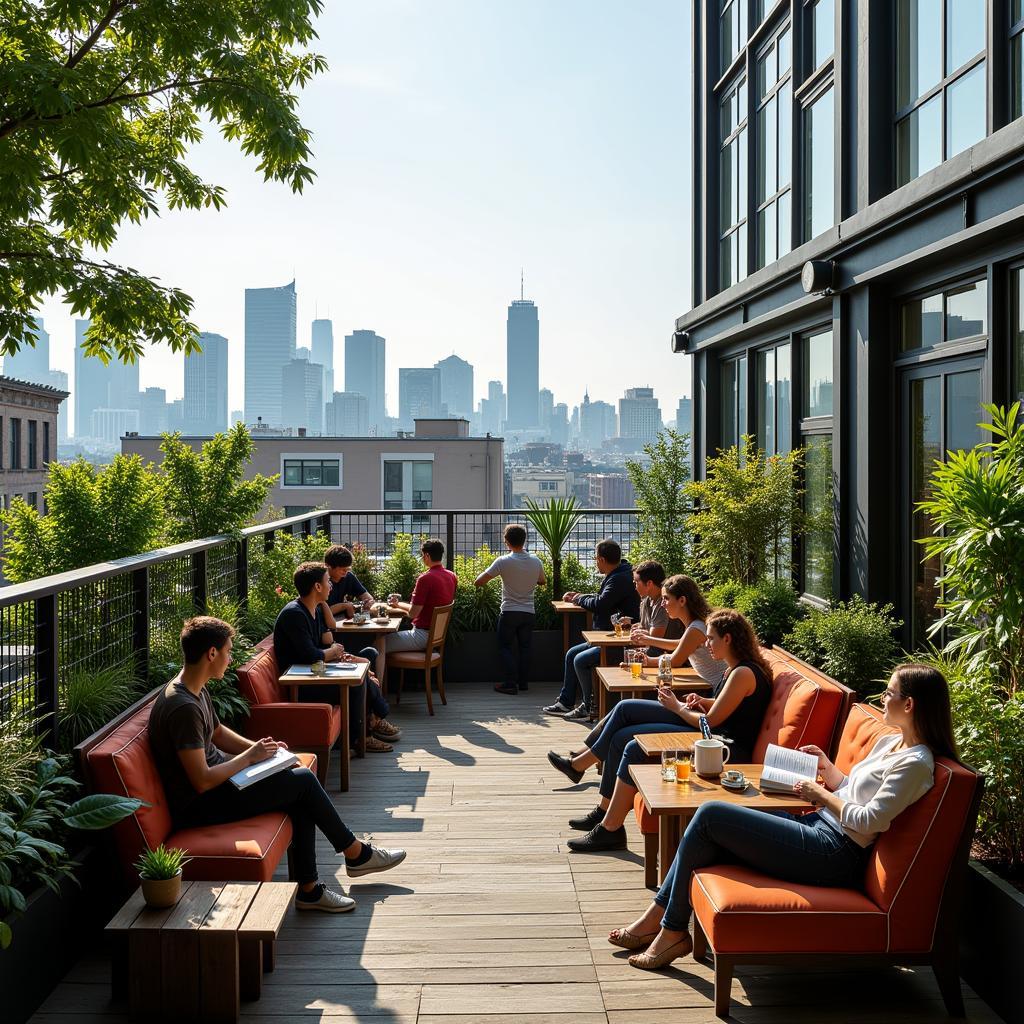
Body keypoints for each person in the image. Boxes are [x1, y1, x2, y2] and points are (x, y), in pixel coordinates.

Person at [609, 663, 952, 970]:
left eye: (890, 692)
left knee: (711, 813)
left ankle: (667, 928)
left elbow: (869, 821)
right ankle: (663, 923)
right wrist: (827, 769)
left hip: (835, 852)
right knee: (708, 832)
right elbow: (852, 790)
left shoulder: (917, 763)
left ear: (909, 705)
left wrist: (820, 794)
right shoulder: (891, 744)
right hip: (819, 828)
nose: (882, 697)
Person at [148, 616, 407, 913]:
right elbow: (202, 780)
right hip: (202, 804)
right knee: (303, 784)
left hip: (223, 786)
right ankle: (354, 854)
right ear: (211, 653)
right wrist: (249, 758)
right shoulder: (183, 708)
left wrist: (261, 750)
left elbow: (217, 732)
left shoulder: (192, 687)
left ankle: (311, 889)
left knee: (296, 781)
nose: (230, 659)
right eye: (228, 651)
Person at [552, 604, 770, 852]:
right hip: (712, 736)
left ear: (728, 639)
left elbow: (711, 723)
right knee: (625, 717)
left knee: (633, 746)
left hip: (722, 747)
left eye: (711, 639)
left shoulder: (742, 672)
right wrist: (701, 701)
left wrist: (677, 707)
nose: (706, 644)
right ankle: (603, 812)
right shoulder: (736, 667)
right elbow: (727, 707)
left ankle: (610, 827)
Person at [274, 562, 396, 753]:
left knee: (368, 656)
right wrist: (333, 652)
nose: (331, 586)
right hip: (303, 683)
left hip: (317, 671)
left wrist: (338, 654)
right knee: (359, 682)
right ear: (317, 586)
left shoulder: (313, 609)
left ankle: (374, 720)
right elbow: (311, 655)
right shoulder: (294, 614)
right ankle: (362, 735)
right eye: (327, 581)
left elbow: (327, 639)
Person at [542, 539, 641, 722]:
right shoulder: (620, 573)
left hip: (616, 642)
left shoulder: (618, 578)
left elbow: (601, 604)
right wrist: (581, 597)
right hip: (606, 635)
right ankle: (566, 702)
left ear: (602, 559)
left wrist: (579, 599)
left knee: (580, 659)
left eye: (596, 559)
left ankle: (590, 706)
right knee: (572, 654)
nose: (595, 562)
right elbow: (603, 598)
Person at [474, 523, 545, 695]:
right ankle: (523, 683)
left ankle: (510, 683)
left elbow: (479, 581)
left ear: (506, 541)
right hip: (528, 611)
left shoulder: (503, 561)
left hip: (509, 611)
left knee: (504, 646)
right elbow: (542, 581)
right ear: (524, 540)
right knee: (525, 648)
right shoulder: (536, 561)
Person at [387, 538, 457, 652]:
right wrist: (398, 604)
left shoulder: (425, 578)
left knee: (379, 643)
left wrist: (399, 606)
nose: (422, 558)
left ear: (427, 555)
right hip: (437, 636)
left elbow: (413, 613)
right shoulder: (452, 576)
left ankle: (376, 670)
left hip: (422, 635)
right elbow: (418, 608)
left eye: (422, 555)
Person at [630, 560, 684, 658]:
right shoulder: (647, 600)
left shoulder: (663, 603)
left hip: (668, 654)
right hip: (660, 652)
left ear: (649, 583)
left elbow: (655, 637)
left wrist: (643, 633)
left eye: (637, 582)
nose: (635, 587)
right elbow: (644, 628)